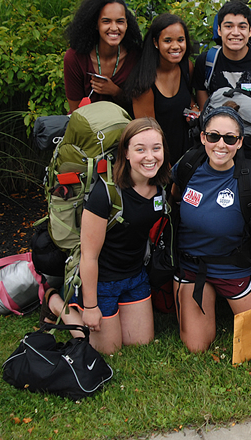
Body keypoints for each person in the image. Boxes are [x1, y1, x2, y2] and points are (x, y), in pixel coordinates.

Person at [41, 118, 169, 354]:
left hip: (135, 276)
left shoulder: (161, 187)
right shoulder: (106, 193)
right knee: (108, 350)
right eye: (140, 149)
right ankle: (57, 304)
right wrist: (91, 306)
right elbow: (89, 256)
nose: (150, 157)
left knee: (141, 341)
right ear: (126, 153)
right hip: (101, 282)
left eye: (156, 148)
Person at [172, 107, 251, 353]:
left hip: (233, 267)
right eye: (213, 136)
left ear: (239, 143)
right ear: (202, 137)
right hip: (192, 266)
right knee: (196, 346)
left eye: (230, 138)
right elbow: (174, 200)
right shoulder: (186, 167)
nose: (221, 144)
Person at [127, 13, 197, 165]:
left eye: (180, 40)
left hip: (189, 153)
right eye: (167, 40)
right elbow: (147, 134)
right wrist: (167, 169)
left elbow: (189, 97)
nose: (176, 46)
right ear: (155, 42)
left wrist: (194, 109)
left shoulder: (187, 67)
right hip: (159, 158)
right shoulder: (144, 83)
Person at [63, 0, 143, 113]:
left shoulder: (135, 56)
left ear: (127, 24)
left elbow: (140, 105)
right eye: (106, 21)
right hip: (85, 127)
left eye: (120, 21)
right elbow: (75, 110)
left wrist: (115, 91)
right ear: (96, 25)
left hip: (124, 127)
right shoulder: (74, 58)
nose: (114, 28)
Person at [192, 1, 251, 107]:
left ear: (250, 31)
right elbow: (204, 112)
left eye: (242, 27)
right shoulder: (206, 62)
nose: (236, 32)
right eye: (229, 26)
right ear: (219, 30)